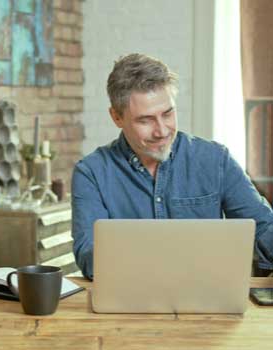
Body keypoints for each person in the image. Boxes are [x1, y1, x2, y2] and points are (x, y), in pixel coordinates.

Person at [71, 53, 273, 280]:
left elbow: (264, 227)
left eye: (168, 114)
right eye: (145, 120)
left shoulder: (216, 159)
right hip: (130, 303)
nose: (162, 131)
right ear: (116, 117)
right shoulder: (91, 173)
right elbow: (89, 256)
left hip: (207, 301)